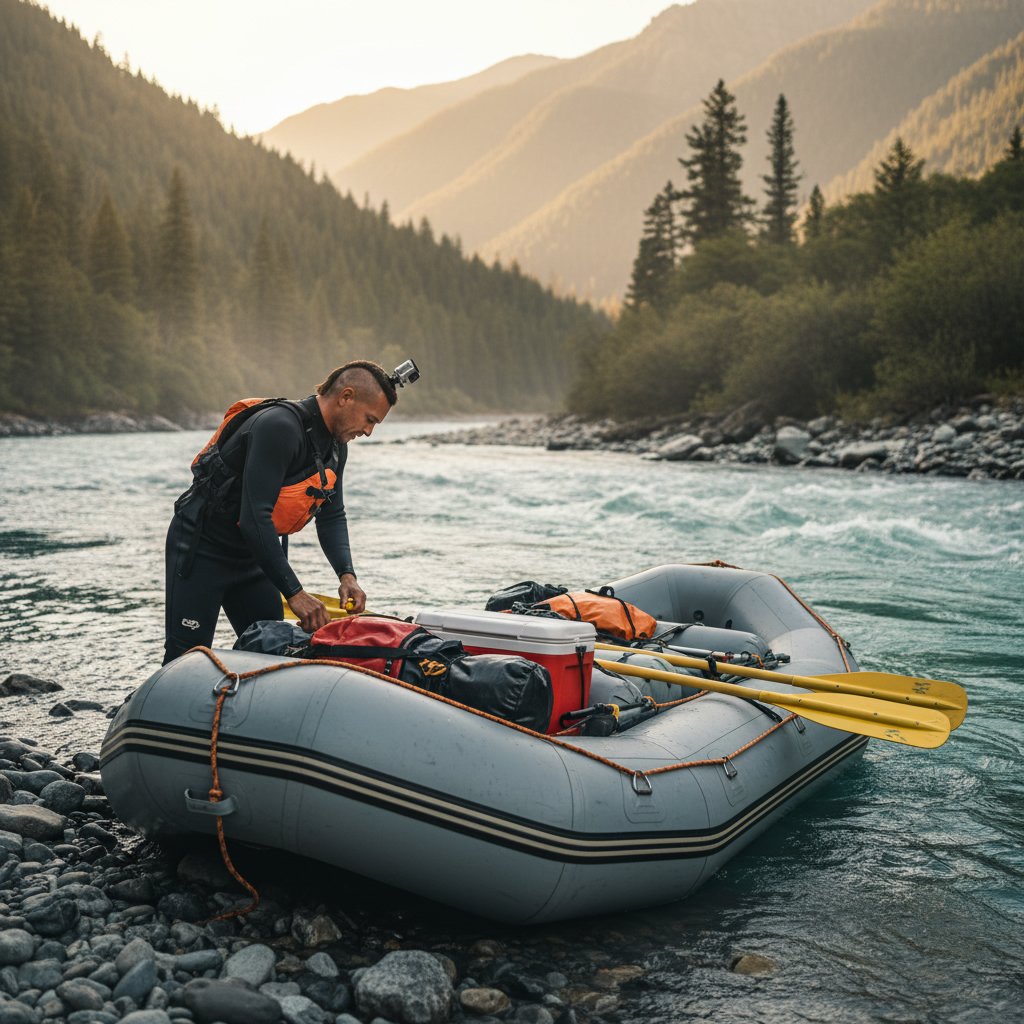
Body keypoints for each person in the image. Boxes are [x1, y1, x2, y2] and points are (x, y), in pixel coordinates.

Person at [163, 358, 414, 664]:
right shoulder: (279, 428)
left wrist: (347, 575)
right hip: (203, 551)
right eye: (369, 419)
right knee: (186, 658)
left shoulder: (335, 447)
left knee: (271, 654)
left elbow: (332, 514)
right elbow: (255, 518)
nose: (368, 431)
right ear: (346, 396)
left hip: (256, 559)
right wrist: (295, 593)